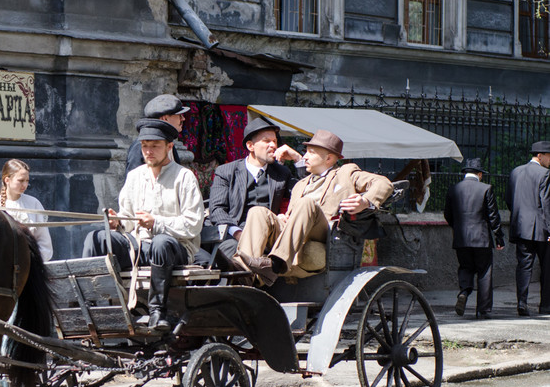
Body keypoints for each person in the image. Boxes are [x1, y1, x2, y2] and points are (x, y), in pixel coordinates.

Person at [83, 118, 203, 332]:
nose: (148, 151)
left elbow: (193, 224)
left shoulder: (184, 177)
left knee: (161, 241)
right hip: (139, 246)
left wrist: (156, 223)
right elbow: (128, 222)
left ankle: (158, 311)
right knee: (97, 237)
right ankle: (90, 306)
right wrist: (117, 221)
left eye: (155, 146)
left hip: (176, 249)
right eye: (144, 145)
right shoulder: (135, 177)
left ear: (169, 147)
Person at [234, 130, 393, 286]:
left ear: (329, 158)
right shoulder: (300, 185)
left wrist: (365, 201)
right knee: (258, 212)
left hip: (326, 234)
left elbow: (384, 183)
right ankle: (243, 270)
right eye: (306, 152)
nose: (305, 156)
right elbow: (293, 218)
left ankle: (275, 264)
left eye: (311, 152)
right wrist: (283, 218)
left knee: (307, 203)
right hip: (297, 235)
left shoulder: (346, 172)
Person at [202, 117, 298, 268]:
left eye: (275, 141)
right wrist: (237, 233)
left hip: (267, 236)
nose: (273, 145)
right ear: (250, 146)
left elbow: (305, 191)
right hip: (233, 234)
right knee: (231, 251)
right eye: (267, 141)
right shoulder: (227, 171)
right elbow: (217, 210)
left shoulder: (281, 173)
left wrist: (297, 159)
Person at [444, 158, 505, 319]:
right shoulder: (486, 189)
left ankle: (464, 291)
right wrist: (499, 237)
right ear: (479, 174)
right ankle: (483, 310)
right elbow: (493, 216)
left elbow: (447, 214)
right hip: (482, 239)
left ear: (465, 173)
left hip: (461, 239)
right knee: (484, 272)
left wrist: (456, 228)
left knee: (465, 267)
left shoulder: (453, 189)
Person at [506, 141, 550, 317]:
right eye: (549, 156)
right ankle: (546, 306)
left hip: (521, 227)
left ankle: (522, 302)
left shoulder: (515, 171)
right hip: (542, 229)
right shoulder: (545, 174)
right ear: (540, 156)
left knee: (524, 266)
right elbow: (546, 204)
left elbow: (509, 199)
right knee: (547, 268)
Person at [0, 158, 53, 261]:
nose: (25, 185)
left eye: (27, 181)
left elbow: (44, 242)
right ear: (7, 180)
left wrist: (34, 261)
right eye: (20, 181)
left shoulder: (33, 203)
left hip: (31, 264)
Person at [125, 94, 189, 172]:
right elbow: (134, 181)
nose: (183, 118)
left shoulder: (168, 141)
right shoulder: (139, 146)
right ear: (165, 118)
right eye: (179, 115)